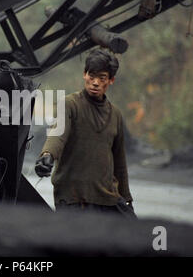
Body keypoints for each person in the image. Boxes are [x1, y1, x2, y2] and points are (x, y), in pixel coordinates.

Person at [35, 48, 136, 218]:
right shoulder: (69, 104)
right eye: (91, 76)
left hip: (107, 198)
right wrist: (47, 155)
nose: (95, 82)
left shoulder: (116, 115)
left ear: (111, 80)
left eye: (101, 78)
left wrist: (126, 197)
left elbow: (119, 162)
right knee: (78, 243)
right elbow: (57, 135)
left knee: (137, 237)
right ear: (84, 74)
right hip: (73, 197)